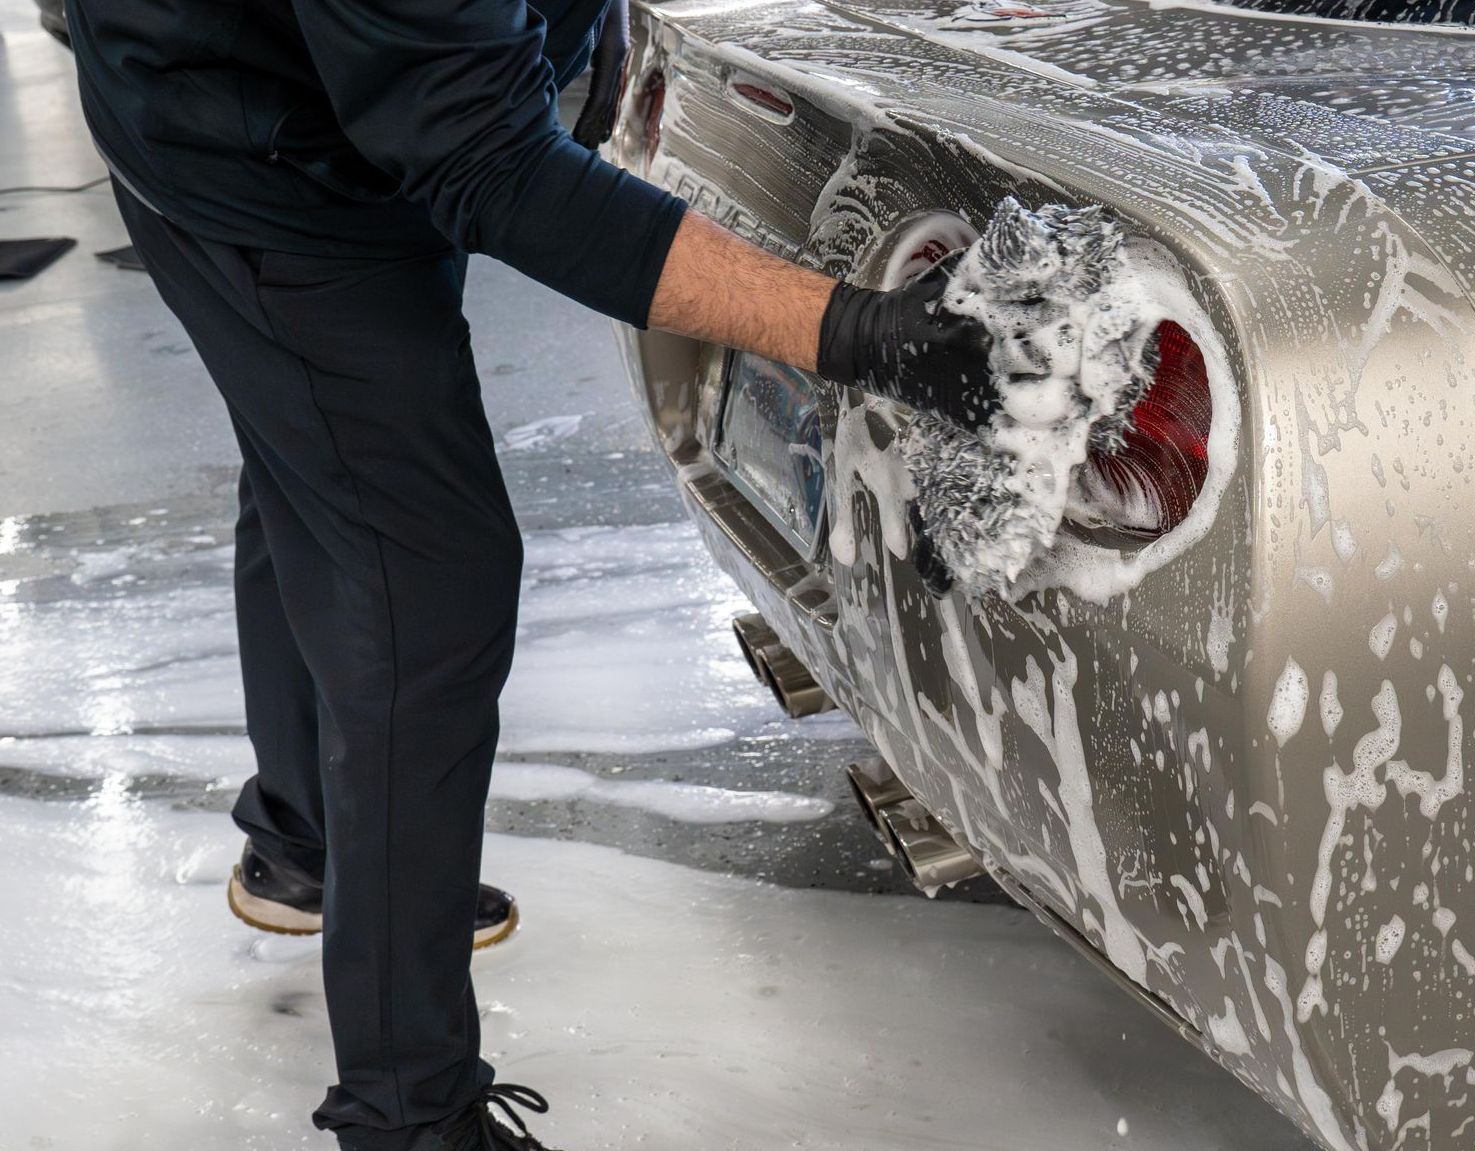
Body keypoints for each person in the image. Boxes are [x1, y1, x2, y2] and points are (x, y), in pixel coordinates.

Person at [63, 0, 995, 1146]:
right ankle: (410, 1113)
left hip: (261, 99)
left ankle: (307, 847)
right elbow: (486, 162)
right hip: (259, 165)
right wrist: (858, 332)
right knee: (428, 590)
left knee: (318, 460)